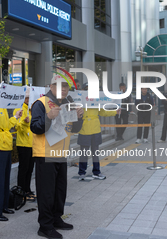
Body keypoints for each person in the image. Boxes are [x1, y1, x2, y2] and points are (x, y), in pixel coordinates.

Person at [30, 75, 84, 239]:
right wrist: (49, 117)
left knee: (60, 190)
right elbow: (35, 127)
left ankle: (56, 218)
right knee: (46, 192)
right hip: (45, 153)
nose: (64, 90)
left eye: (66, 87)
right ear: (51, 86)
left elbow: (74, 129)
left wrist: (79, 118)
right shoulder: (41, 103)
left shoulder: (67, 104)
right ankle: (45, 226)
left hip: (61, 153)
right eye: (60, 86)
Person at [78, 83, 119, 181]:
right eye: (86, 89)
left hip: (95, 129)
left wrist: (115, 112)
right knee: (84, 153)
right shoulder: (79, 101)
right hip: (84, 129)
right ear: (83, 91)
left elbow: (103, 112)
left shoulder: (96, 100)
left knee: (95, 153)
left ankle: (96, 172)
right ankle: (81, 172)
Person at [0, 107, 22, 221]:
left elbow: (6, 126)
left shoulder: (2, 107)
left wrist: (16, 117)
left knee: (5, 179)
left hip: (6, 146)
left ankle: (4, 206)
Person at [13, 86, 35, 198]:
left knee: (30, 169)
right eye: (26, 97)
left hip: (31, 143)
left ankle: (27, 190)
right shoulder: (19, 108)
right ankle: (21, 191)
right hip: (23, 143)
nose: (28, 99)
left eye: (29, 97)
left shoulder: (31, 108)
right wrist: (26, 122)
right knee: (24, 169)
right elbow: (18, 127)